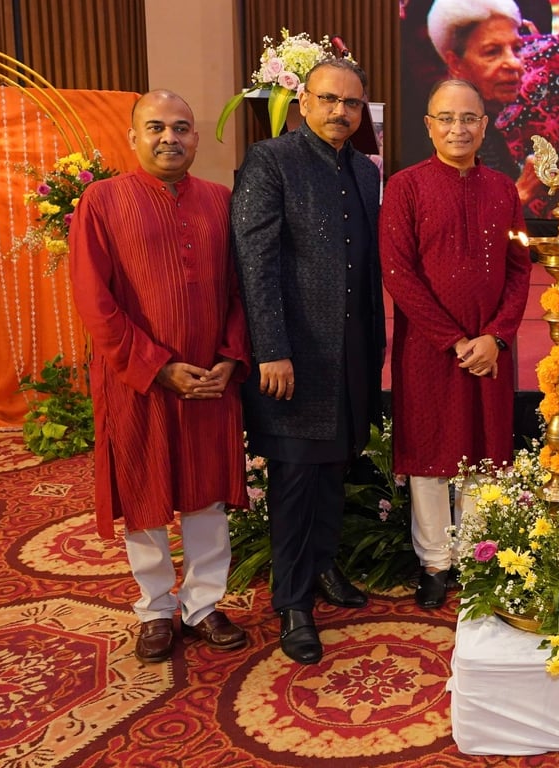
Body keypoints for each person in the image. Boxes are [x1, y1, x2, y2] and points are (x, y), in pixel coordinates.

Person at [69, 90, 250, 663]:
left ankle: (202, 604)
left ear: (197, 137)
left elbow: (240, 291)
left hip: (209, 381)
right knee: (144, 493)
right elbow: (95, 301)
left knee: (206, 496)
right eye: (156, 127)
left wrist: (230, 357)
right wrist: (157, 367)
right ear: (132, 136)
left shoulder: (221, 201)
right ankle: (155, 608)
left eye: (181, 127)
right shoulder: (101, 201)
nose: (169, 138)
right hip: (137, 381)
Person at [231, 58, 384, 665]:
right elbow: (255, 260)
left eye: (351, 104)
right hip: (292, 356)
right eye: (328, 100)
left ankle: (322, 570)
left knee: (333, 469)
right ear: (303, 104)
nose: (340, 112)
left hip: (350, 352)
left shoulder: (364, 171)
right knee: (295, 477)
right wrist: (271, 349)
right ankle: (292, 602)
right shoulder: (271, 161)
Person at [380, 79, 532, 609]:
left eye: (469, 118)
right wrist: (454, 339)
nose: (458, 128)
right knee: (429, 455)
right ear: (429, 125)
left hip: (491, 348)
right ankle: (435, 564)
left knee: (483, 450)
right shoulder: (406, 186)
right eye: (446, 118)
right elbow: (398, 274)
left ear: (485, 126)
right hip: (428, 346)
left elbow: (519, 269)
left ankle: (475, 558)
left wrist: (496, 336)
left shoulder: (502, 188)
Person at [427, 0, 527, 180]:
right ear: (455, 63)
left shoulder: (486, 125)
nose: (514, 63)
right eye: (492, 52)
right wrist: (523, 192)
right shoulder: (447, 132)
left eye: (517, 48)